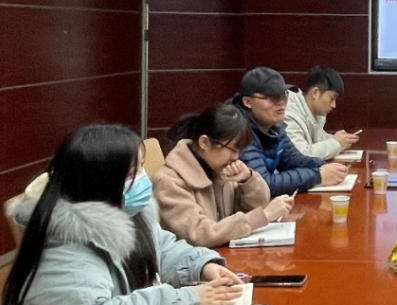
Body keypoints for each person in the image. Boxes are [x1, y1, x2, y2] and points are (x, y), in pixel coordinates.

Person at [0, 124, 243, 305]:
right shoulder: (58, 245)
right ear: (98, 180)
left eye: (142, 167)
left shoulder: (125, 210)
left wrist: (202, 266)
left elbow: (161, 248)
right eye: (132, 173)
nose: (144, 179)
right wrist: (186, 299)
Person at [154, 104, 294, 247]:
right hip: (193, 260)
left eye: (240, 150)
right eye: (232, 149)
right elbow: (199, 234)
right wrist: (265, 215)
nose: (236, 157)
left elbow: (252, 211)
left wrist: (248, 180)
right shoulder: (169, 181)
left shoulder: (219, 169)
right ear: (204, 142)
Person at [230, 66, 347, 195]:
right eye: (273, 98)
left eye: (284, 95)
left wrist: (323, 165)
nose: (282, 103)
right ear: (248, 101)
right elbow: (263, 184)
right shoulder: (236, 130)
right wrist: (317, 175)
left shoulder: (274, 125)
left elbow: (293, 159)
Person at [285, 65, 360, 160]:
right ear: (315, 93)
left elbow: (318, 140)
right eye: (332, 98)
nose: (334, 105)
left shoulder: (315, 112)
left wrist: (339, 139)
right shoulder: (288, 113)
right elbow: (299, 155)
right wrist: (336, 143)